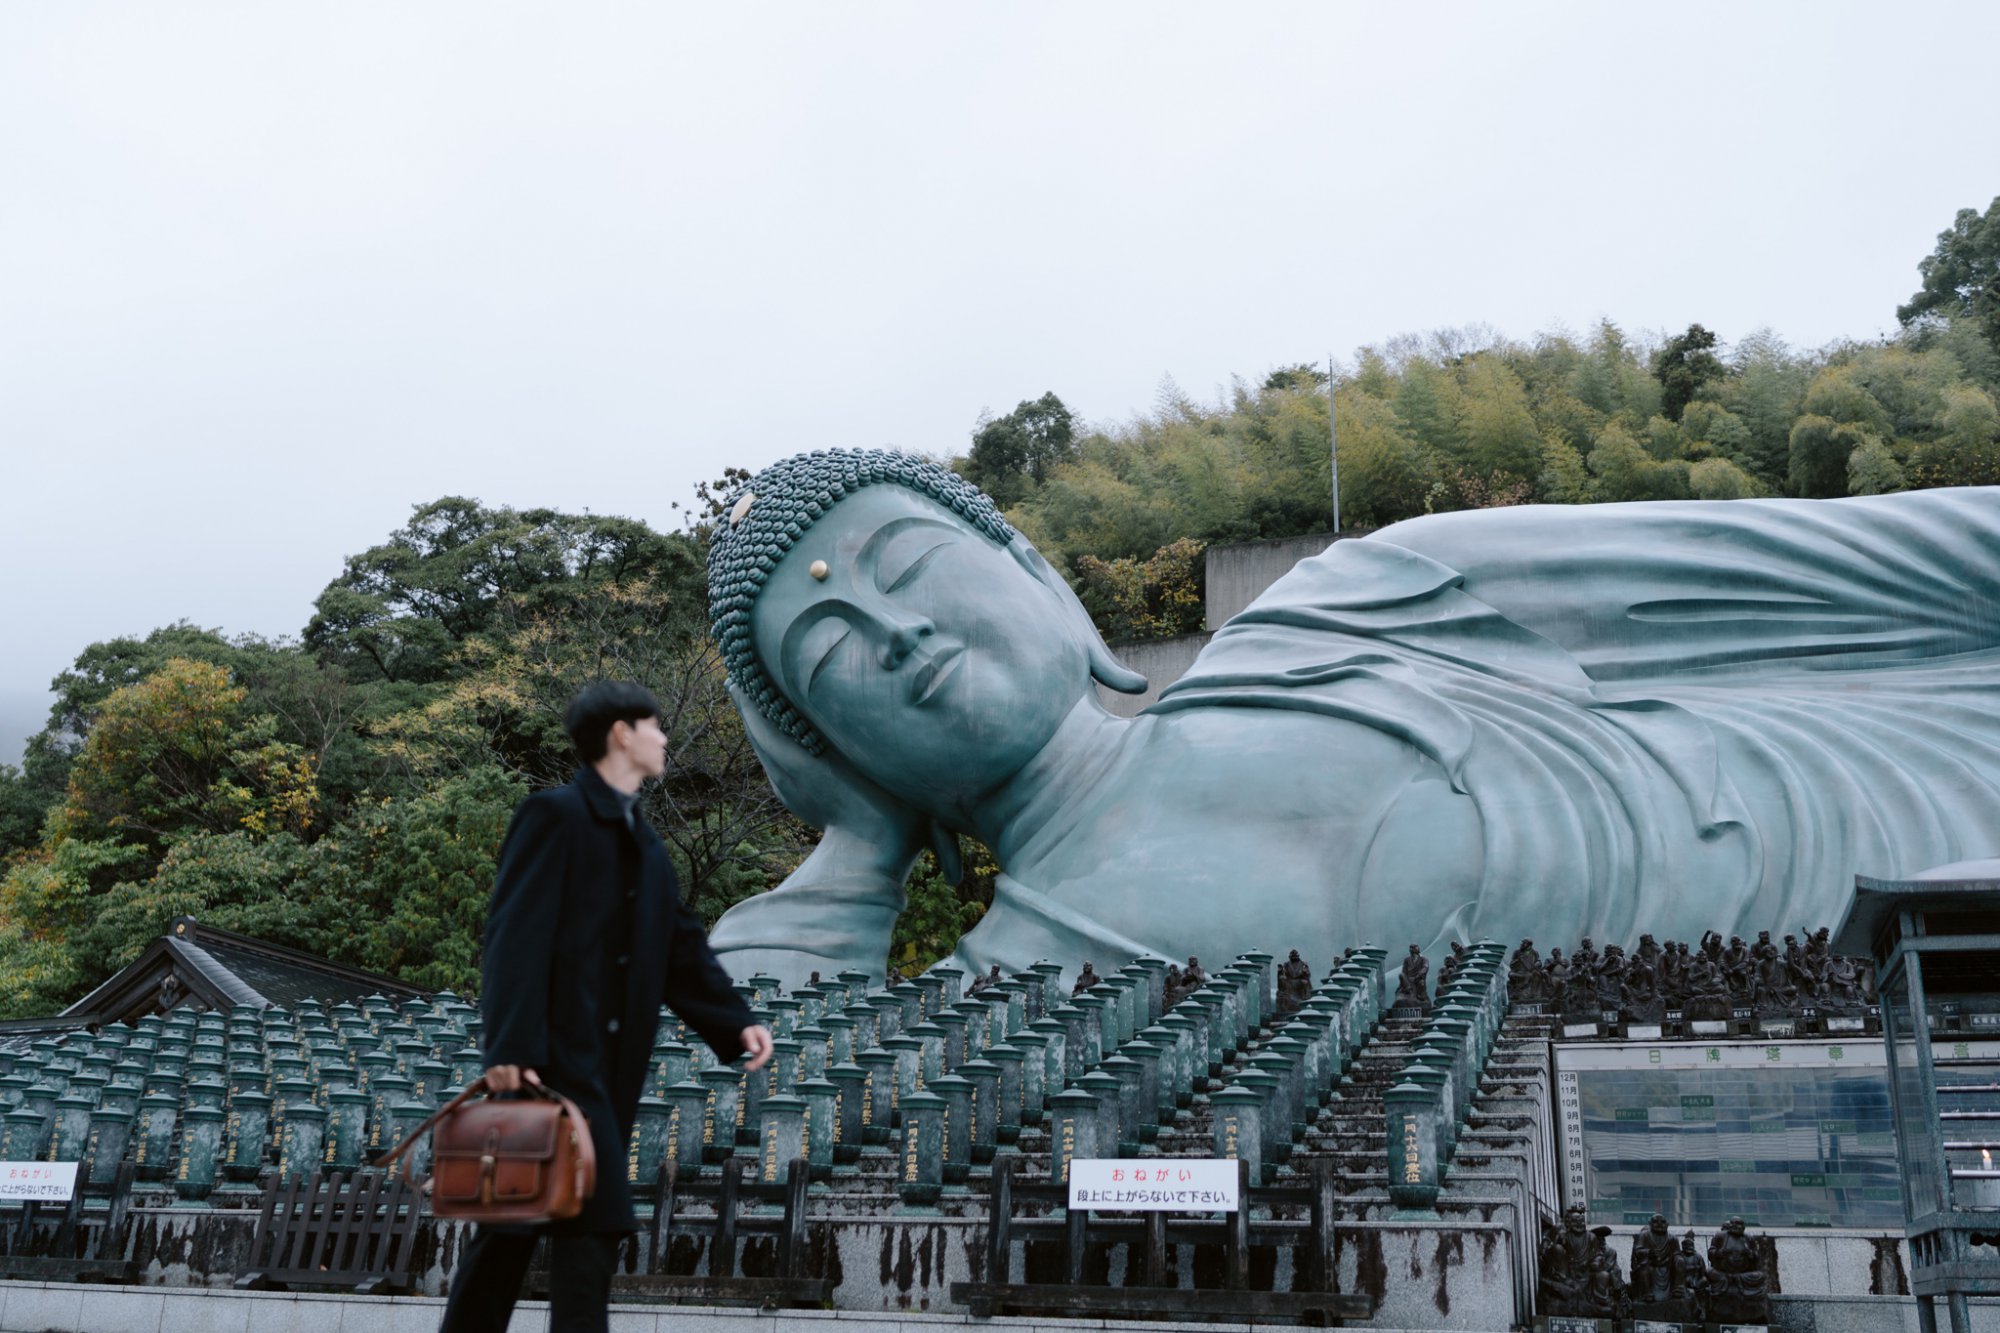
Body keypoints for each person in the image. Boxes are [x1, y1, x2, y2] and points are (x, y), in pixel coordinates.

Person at [697, 449, 2000, 986]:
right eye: (828, 657)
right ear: (828, 752)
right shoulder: (1008, 986)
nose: (895, 631)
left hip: (1911, 776)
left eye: (912, 569)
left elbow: (1853, 560)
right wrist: (855, 853)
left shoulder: (1365, 601)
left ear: (1039, 572)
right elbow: (729, 1107)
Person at [440, 681, 775, 1333]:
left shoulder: (647, 847)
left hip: (604, 1080)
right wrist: (508, 1049)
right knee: (512, 1234)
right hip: (545, 1071)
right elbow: (514, 935)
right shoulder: (553, 815)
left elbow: (680, 945)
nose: (665, 739)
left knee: (579, 1237)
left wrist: (736, 1022)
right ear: (622, 733)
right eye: (657, 726)